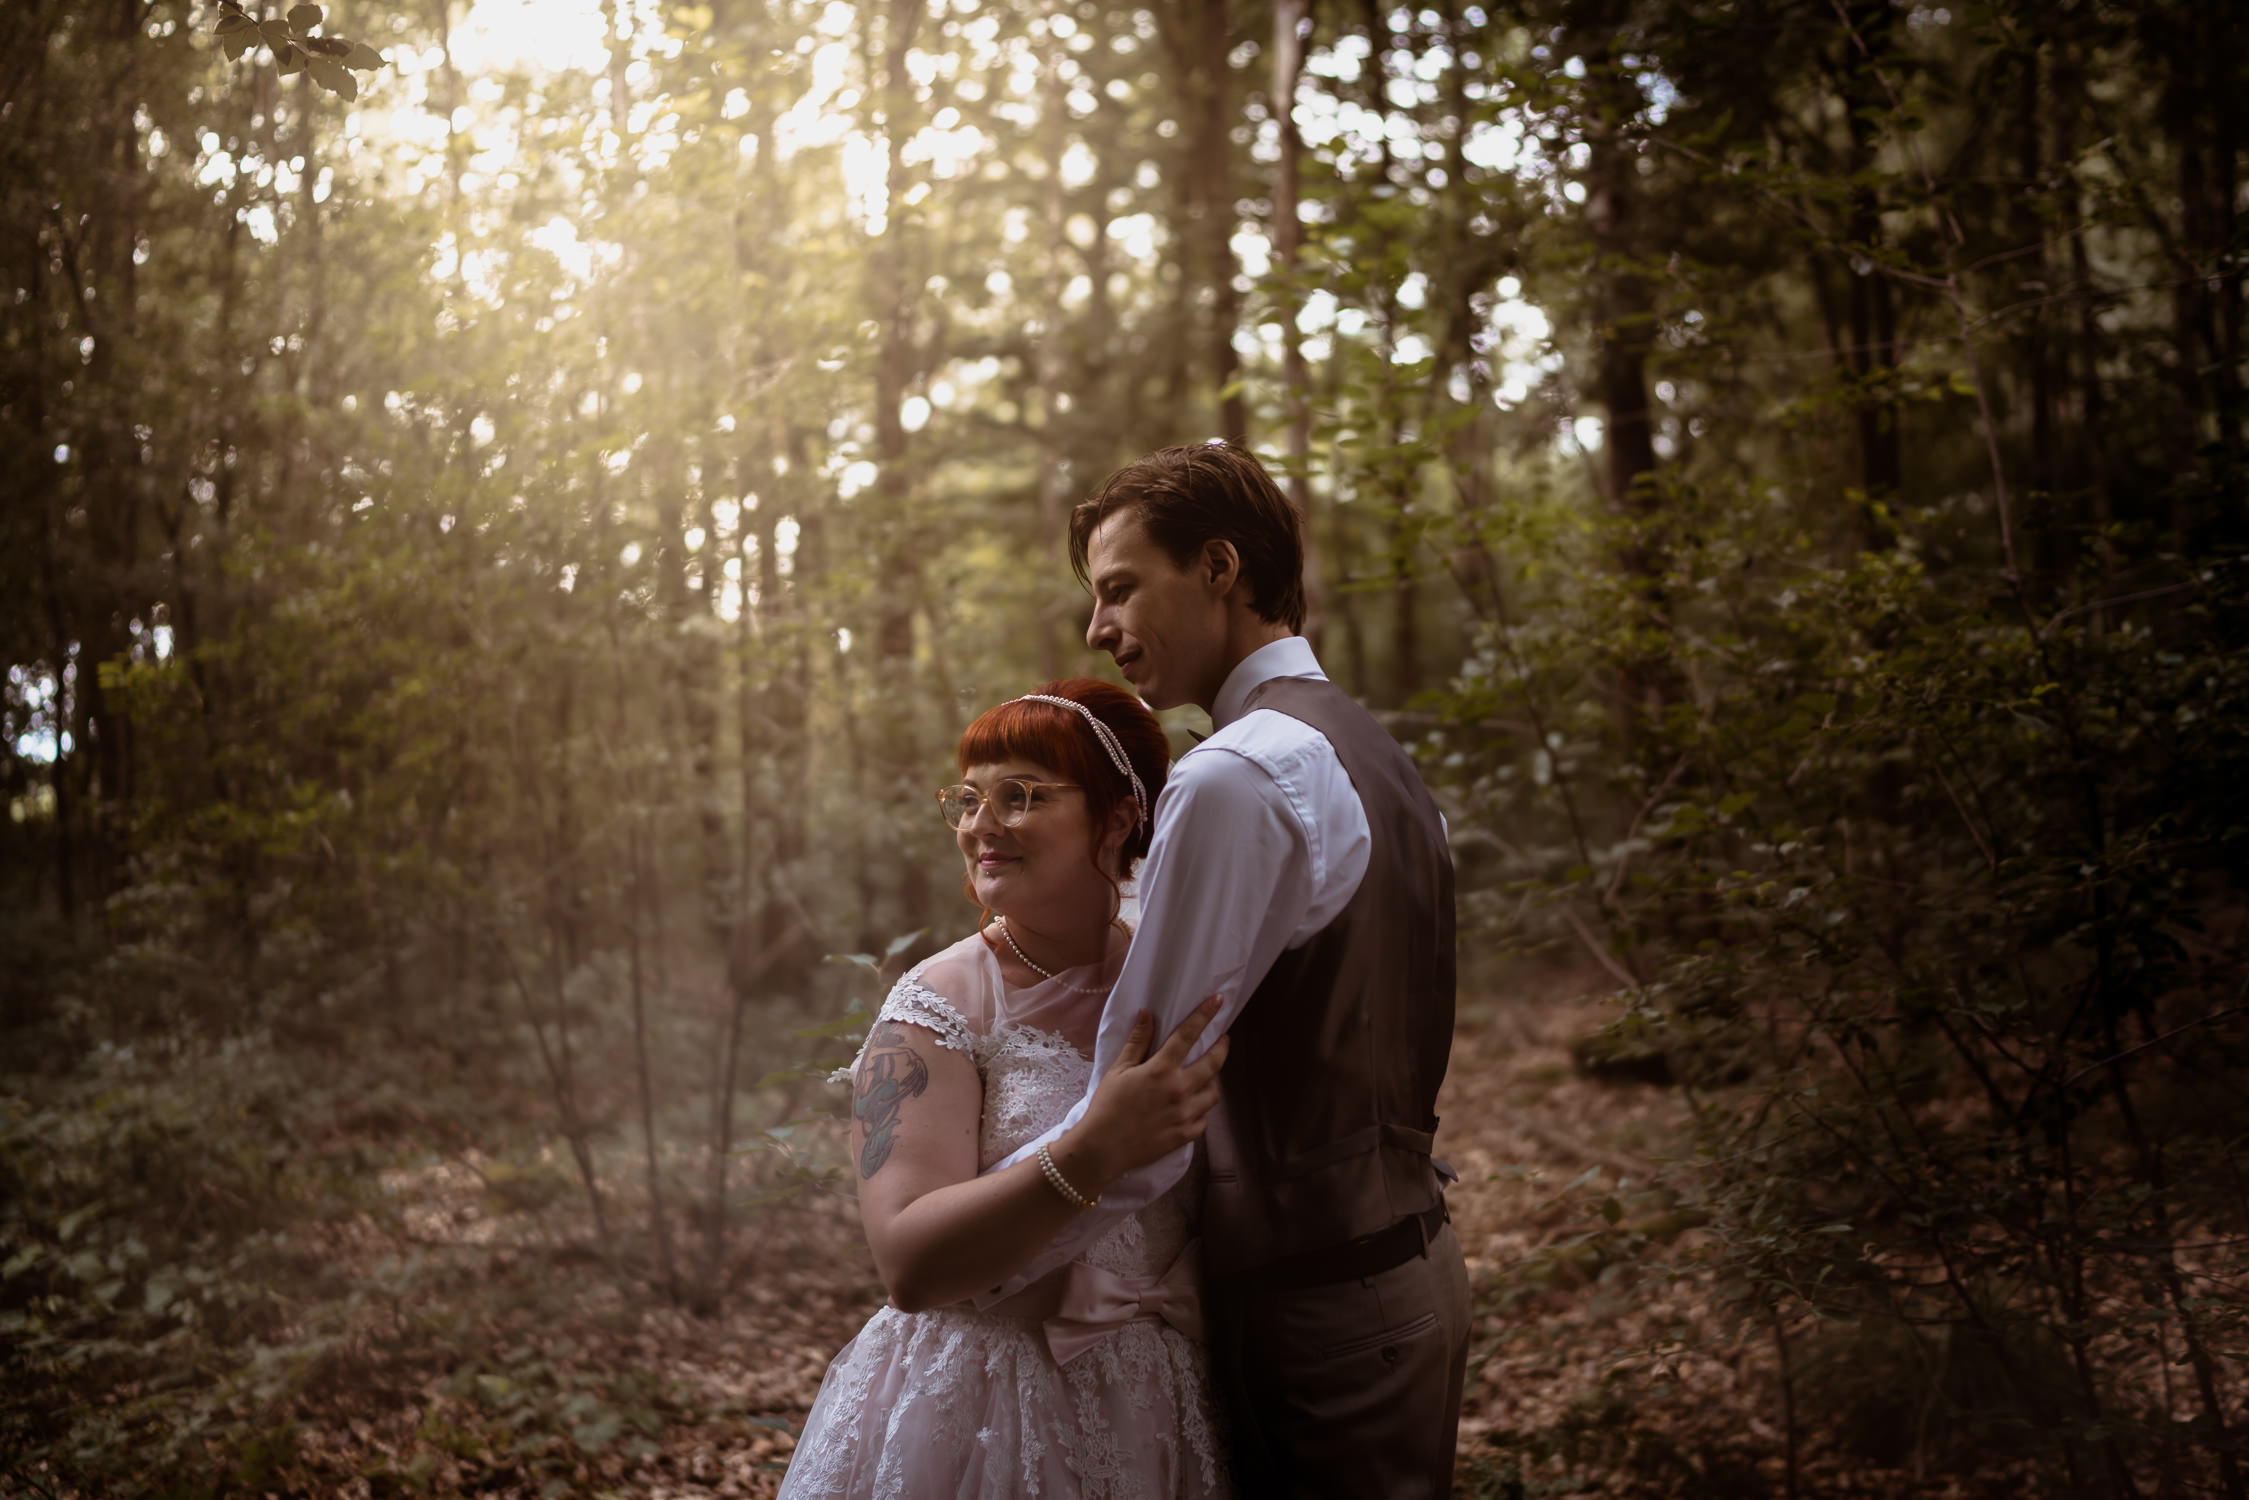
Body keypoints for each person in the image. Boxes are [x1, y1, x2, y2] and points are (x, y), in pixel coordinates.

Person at [984, 442, 1469, 1497]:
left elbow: (1142, 1095)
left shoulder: (1231, 776)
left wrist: (992, 1273)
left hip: (1315, 1309)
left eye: (1119, 590)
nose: (1096, 630)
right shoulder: (1379, 761)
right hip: (1415, 1276)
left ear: (1216, 567)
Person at [779, 679, 1236, 1500]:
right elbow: (909, 1264)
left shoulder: (1181, 978)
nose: (978, 825)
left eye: (1018, 795)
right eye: (967, 798)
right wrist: (1092, 1151)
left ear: (1118, 817)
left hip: (1168, 1408)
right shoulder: (937, 1004)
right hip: (985, 1410)